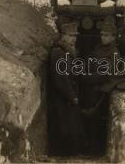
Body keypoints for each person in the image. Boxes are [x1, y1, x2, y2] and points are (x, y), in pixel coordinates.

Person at [80, 22, 120, 155]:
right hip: (90, 87)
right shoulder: (98, 47)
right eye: (102, 35)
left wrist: (86, 77)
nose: (103, 37)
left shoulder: (114, 53)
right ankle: (88, 146)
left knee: (96, 119)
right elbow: (88, 60)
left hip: (99, 90)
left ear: (113, 37)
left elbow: (108, 74)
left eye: (107, 35)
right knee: (88, 119)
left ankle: (95, 149)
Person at [47, 22, 86, 156]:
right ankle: (64, 153)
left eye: (75, 36)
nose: (74, 39)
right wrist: (71, 95)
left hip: (70, 93)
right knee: (64, 123)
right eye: (71, 36)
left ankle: (72, 151)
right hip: (62, 95)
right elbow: (60, 77)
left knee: (71, 123)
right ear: (63, 36)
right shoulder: (58, 52)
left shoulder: (70, 51)